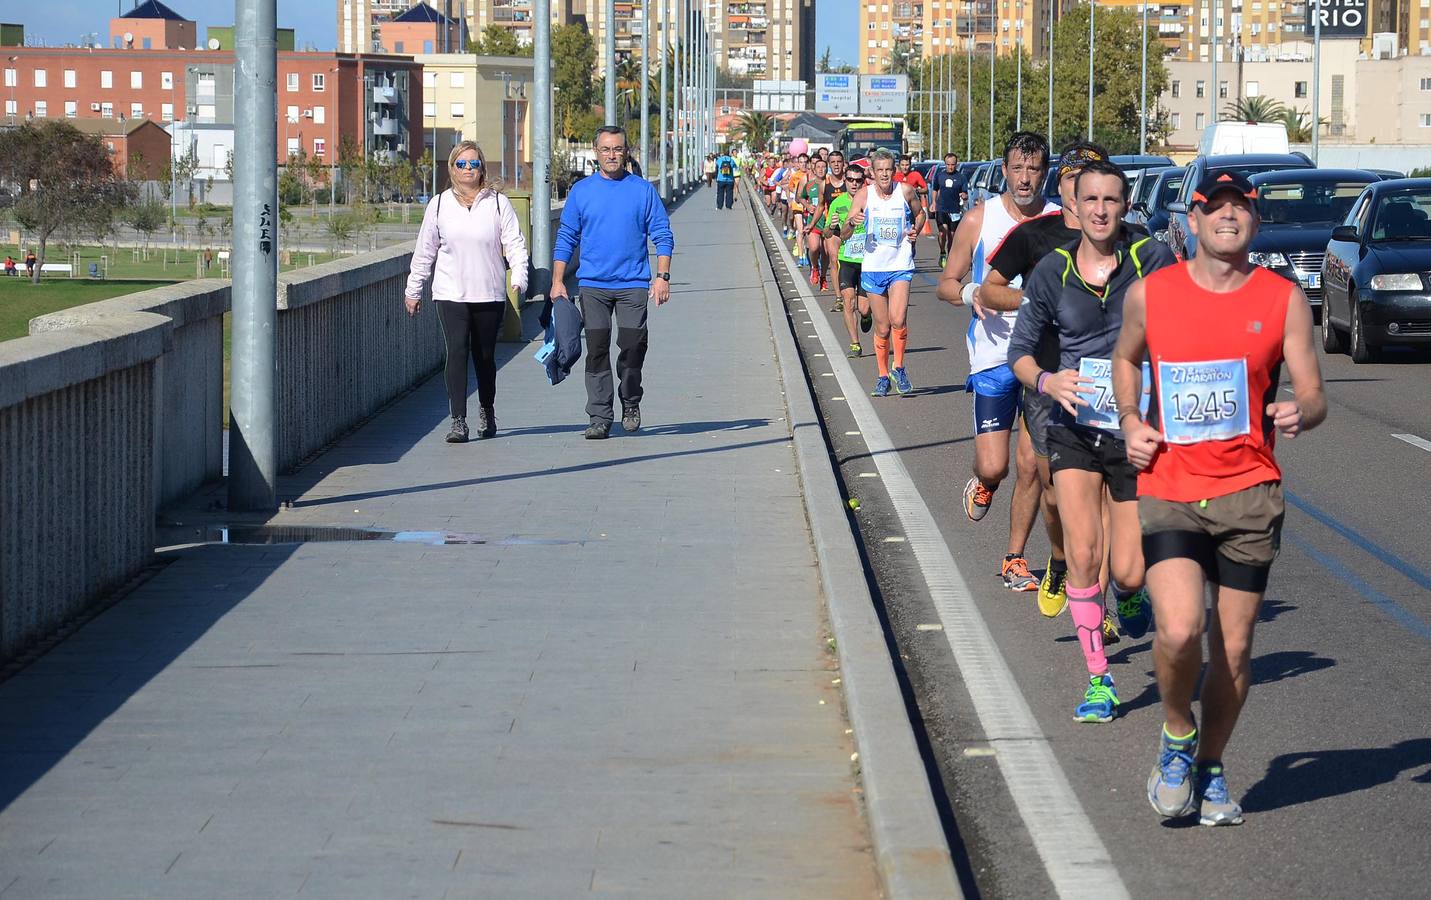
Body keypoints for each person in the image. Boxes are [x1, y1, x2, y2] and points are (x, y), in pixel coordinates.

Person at [1113, 171, 1326, 826]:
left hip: (1248, 493)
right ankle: (1176, 734)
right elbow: (1125, 360)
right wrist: (1129, 420)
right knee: (1178, 629)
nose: (1227, 217)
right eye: (1215, 207)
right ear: (1194, 218)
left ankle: (1208, 765)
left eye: (1240, 209)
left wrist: (1300, 412)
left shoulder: (1281, 298)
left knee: (1232, 652)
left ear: (1252, 223)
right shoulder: (1151, 293)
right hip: (1171, 486)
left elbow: (1314, 393)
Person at [1009, 159, 1174, 724]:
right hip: (1073, 426)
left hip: (1131, 428)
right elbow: (1021, 355)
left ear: (1125, 206)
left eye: (1112, 200)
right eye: (1090, 200)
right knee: (1083, 554)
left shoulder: (1150, 256)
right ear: (1074, 207)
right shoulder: (1051, 272)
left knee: (1128, 570)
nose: (1101, 210)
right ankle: (1099, 679)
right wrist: (1049, 380)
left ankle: (1130, 593)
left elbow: (1185, 317)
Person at [979, 141, 1110, 620]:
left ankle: (1097, 600)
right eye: (1077, 182)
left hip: (1104, 382)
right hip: (1046, 379)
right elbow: (990, 286)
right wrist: (1034, 304)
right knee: (1054, 490)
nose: (1088, 194)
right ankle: (1058, 558)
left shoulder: (1133, 239)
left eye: (1097, 183)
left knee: (1101, 494)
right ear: (1065, 187)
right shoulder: (1036, 235)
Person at [937, 132, 1057, 594]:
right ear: (1004, 171)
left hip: (1042, 357)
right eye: (1018, 169)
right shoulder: (979, 219)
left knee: (1032, 464)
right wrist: (969, 293)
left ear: (1043, 173)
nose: (1026, 179)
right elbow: (946, 282)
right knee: (996, 466)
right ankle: (983, 482)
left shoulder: (1058, 219)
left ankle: (1015, 558)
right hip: (991, 355)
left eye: (1034, 170)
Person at [552, 126, 675, 440]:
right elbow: (566, 237)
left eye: (617, 149)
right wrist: (557, 281)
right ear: (596, 152)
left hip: (633, 284)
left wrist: (662, 277)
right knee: (596, 350)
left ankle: (630, 399)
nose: (611, 155)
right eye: (606, 149)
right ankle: (599, 415)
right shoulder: (581, 191)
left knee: (633, 347)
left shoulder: (642, 190)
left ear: (626, 151)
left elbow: (662, 235)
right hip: (592, 286)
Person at [405, 140, 530, 443]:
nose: (468, 169)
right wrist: (414, 288)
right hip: (450, 293)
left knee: (485, 357)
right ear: (452, 168)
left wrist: (520, 276)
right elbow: (425, 251)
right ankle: (458, 420)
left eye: (474, 163)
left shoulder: (497, 203)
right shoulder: (439, 204)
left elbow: (515, 243)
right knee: (457, 352)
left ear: (482, 168)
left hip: (488, 293)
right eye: (462, 164)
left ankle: (486, 410)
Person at [846, 148, 925, 397]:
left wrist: (916, 230)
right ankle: (882, 376)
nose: (884, 174)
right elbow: (844, 233)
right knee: (882, 328)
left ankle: (899, 367)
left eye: (888, 170)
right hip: (873, 267)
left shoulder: (905, 191)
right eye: (879, 170)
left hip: (900, 264)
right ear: (872, 171)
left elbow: (920, 214)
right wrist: (851, 222)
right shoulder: (864, 195)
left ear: (894, 170)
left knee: (898, 320)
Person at [828, 166, 873, 358]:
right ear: (845, 180)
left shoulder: (870, 201)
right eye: (850, 179)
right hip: (846, 260)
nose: (854, 183)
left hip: (867, 261)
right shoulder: (837, 203)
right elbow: (827, 233)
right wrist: (831, 226)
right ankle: (855, 344)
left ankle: (867, 315)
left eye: (858, 180)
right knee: (848, 302)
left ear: (863, 181)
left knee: (863, 307)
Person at [821, 151, 849, 308]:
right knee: (834, 260)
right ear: (829, 164)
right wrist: (812, 225)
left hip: (851, 228)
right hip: (833, 229)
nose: (836, 164)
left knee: (848, 261)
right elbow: (820, 206)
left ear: (843, 163)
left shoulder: (851, 181)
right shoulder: (824, 184)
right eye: (833, 162)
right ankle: (839, 298)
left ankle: (852, 291)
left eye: (839, 161)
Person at [930, 153, 968, 268]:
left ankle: (950, 256)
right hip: (942, 208)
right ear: (945, 164)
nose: (950, 167)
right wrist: (934, 202)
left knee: (952, 235)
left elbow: (965, 193)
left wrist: (964, 195)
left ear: (956, 164)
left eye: (953, 164)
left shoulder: (961, 177)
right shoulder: (940, 176)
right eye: (948, 164)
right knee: (943, 231)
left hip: (955, 210)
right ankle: (942, 252)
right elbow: (935, 189)